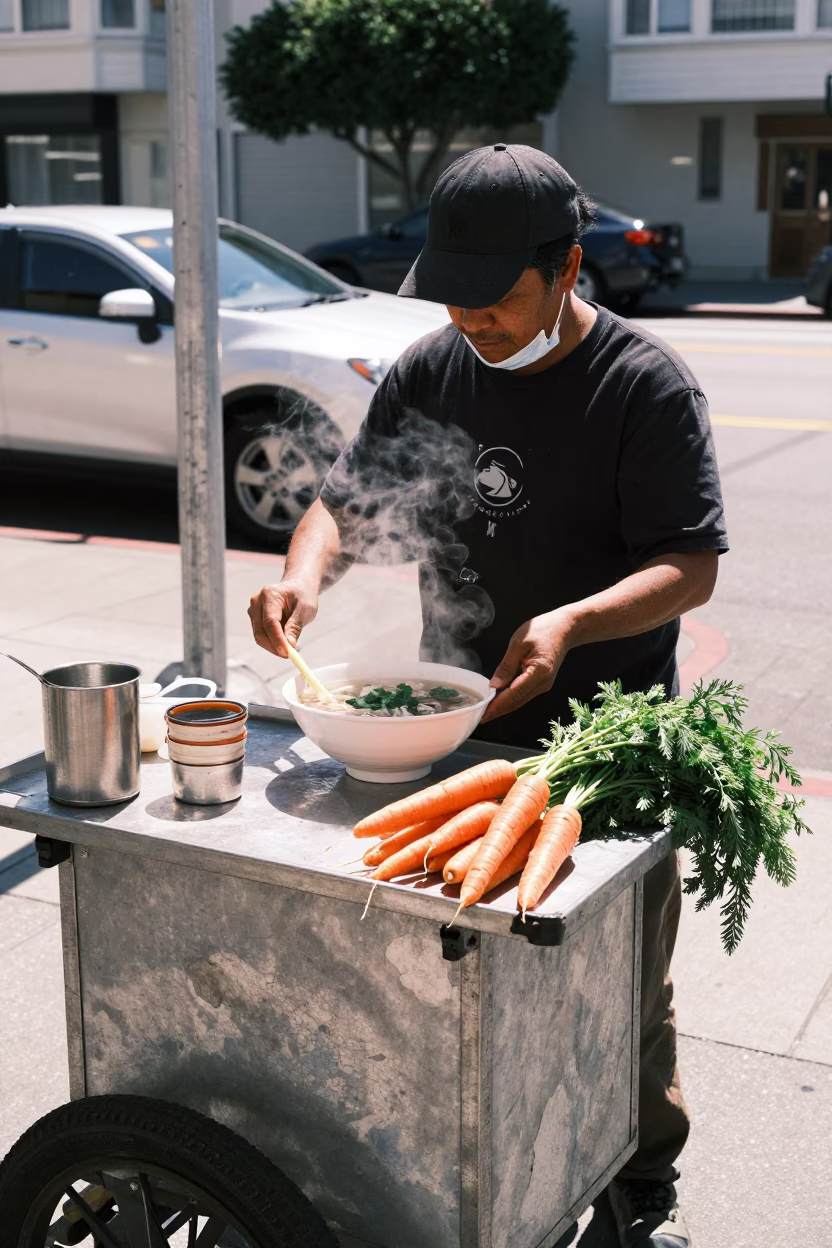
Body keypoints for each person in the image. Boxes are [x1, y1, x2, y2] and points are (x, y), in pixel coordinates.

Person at [248, 144, 728, 1248]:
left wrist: (571, 622)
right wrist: (301, 576)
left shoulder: (642, 385)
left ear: (567, 270)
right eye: (453, 297)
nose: (471, 320)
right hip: (458, 742)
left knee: (619, 982)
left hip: (607, 746)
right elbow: (341, 505)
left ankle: (639, 1176)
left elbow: (689, 564)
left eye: (495, 299)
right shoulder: (433, 368)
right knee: (454, 969)